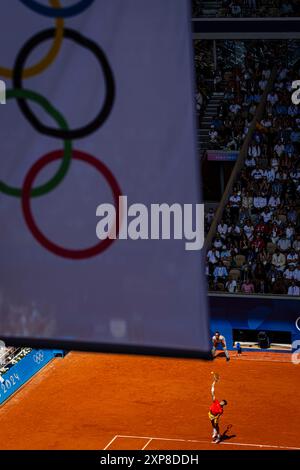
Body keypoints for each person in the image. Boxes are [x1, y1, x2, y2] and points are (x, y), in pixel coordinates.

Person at [208, 374, 227, 444]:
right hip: (210, 414)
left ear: (224, 405)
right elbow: (212, 392)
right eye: (222, 401)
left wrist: (216, 418)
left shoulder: (221, 410)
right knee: (212, 424)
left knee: (216, 425)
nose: (221, 402)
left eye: (223, 403)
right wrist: (213, 383)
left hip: (215, 416)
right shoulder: (216, 401)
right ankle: (215, 431)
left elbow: (218, 415)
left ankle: (218, 436)